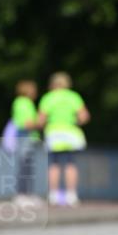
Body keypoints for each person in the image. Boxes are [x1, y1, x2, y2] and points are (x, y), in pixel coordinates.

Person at [38, 72, 90, 207]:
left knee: (54, 164)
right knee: (70, 163)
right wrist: (74, 121)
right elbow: (84, 116)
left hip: (54, 132)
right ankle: (71, 195)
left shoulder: (48, 98)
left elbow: (41, 120)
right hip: (69, 132)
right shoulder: (73, 97)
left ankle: (53, 196)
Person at [10, 80, 41, 205]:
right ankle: (22, 194)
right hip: (24, 136)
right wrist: (39, 123)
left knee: (28, 167)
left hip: (27, 137)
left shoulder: (24, 103)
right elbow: (27, 123)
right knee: (24, 166)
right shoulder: (23, 103)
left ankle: (28, 193)